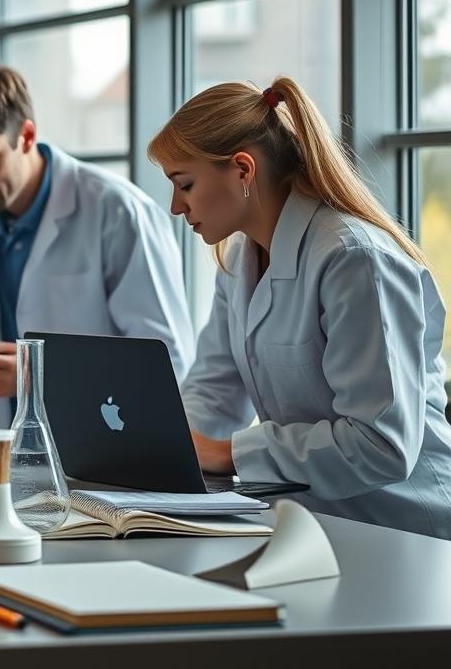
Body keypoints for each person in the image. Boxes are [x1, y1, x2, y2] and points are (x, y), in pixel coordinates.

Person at [150, 76, 451, 539]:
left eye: (184, 184)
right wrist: (159, 458)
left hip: (408, 528)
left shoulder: (353, 258)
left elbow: (381, 445)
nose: (175, 207)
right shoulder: (239, 259)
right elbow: (213, 390)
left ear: (243, 170)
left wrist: (227, 453)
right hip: (315, 522)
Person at [0, 60, 194, 426]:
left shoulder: (118, 212)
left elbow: (168, 362)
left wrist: (36, 376)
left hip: (109, 455)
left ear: (27, 136)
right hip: (12, 461)